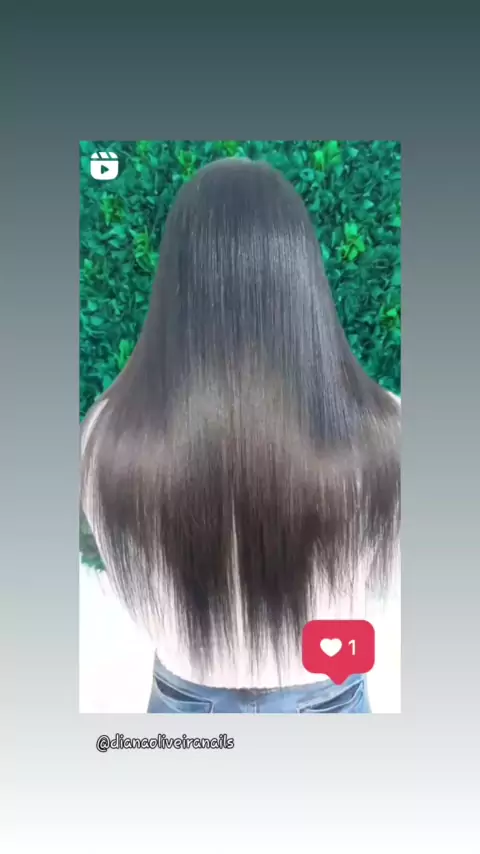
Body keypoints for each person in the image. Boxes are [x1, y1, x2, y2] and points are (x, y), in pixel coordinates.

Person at [79, 157, 401, 714]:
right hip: (328, 692)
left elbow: (124, 585)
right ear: (303, 276)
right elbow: (387, 580)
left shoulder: (105, 437)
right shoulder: (387, 431)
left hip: (185, 699)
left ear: (175, 282)